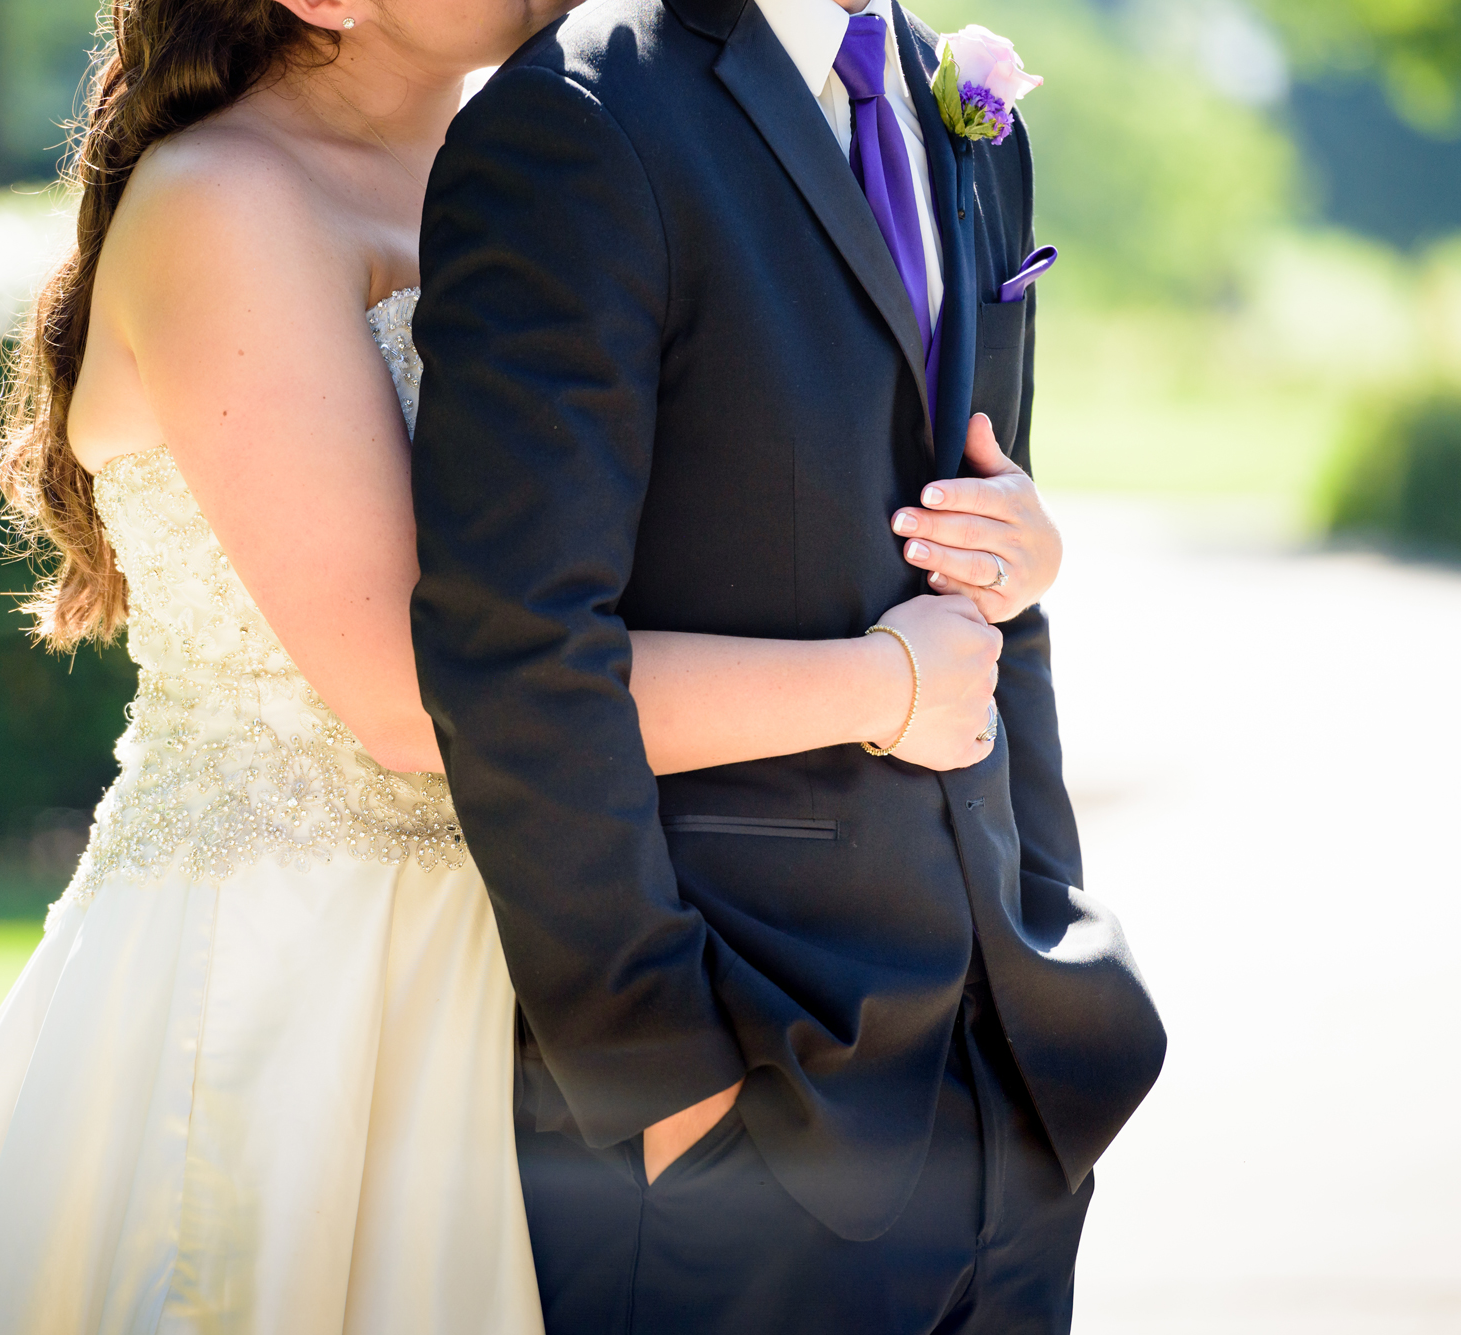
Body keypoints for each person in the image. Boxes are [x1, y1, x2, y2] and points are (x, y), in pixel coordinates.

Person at [0, 0, 1020, 1331]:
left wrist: (1003, 539)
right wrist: (882, 684)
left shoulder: (560, 142)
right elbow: (410, 694)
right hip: (298, 987)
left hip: (536, 939)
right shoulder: (223, 203)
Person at [407, 0, 1168, 1331]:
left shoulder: (971, 120)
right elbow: (514, 645)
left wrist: (1041, 903)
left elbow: (985, 552)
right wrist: (665, 1079)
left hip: (1012, 1082)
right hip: (748, 1096)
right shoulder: (577, 120)